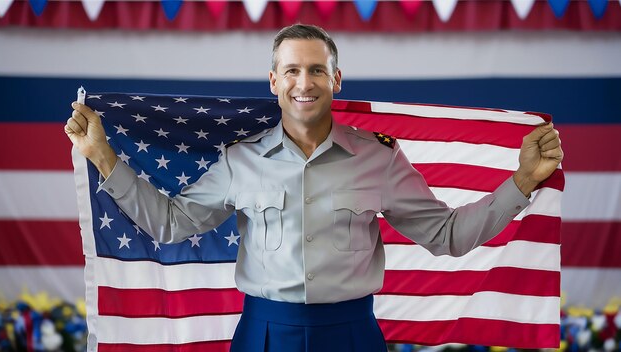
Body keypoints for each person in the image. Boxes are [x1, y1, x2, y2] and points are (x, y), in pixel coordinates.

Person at [65, 24, 563, 352]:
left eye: (317, 69)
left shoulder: (379, 158)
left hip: (351, 334)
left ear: (337, 79)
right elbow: (172, 224)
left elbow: (447, 236)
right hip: (263, 334)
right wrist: (103, 156)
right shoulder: (240, 160)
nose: (305, 81)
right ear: (274, 82)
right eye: (293, 71)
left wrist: (522, 182)